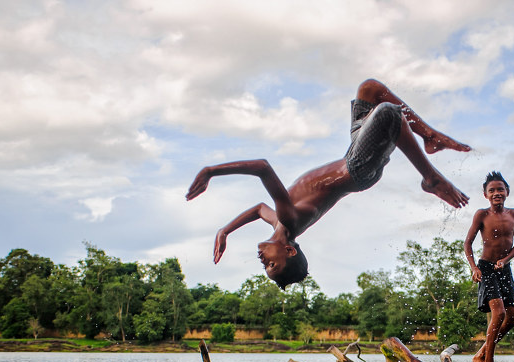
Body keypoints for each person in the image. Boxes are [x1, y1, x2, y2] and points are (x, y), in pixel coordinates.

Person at [186, 79, 471, 288]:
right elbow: (263, 167)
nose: (263, 262)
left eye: (267, 267)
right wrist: (211, 171)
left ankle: (429, 136)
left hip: (353, 152)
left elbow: (259, 208)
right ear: (289, 251)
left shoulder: (279, 223)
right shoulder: (291, 219)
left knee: (369, 90)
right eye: (272, 265)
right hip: (357, 168)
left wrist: (225, 230)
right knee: (388, 113)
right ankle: (430, 177)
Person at [464, 171, 514, 362]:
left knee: (512, 318)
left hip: (503, 268)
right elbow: (468, 243)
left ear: (507, 192)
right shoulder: (482, 214)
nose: (496, 193)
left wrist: (505, 260)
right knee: (498, 313)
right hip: (487, 267)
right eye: (492, 190)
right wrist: (474, 268)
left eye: (500, 189)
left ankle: (481, 354)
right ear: (485, 195)